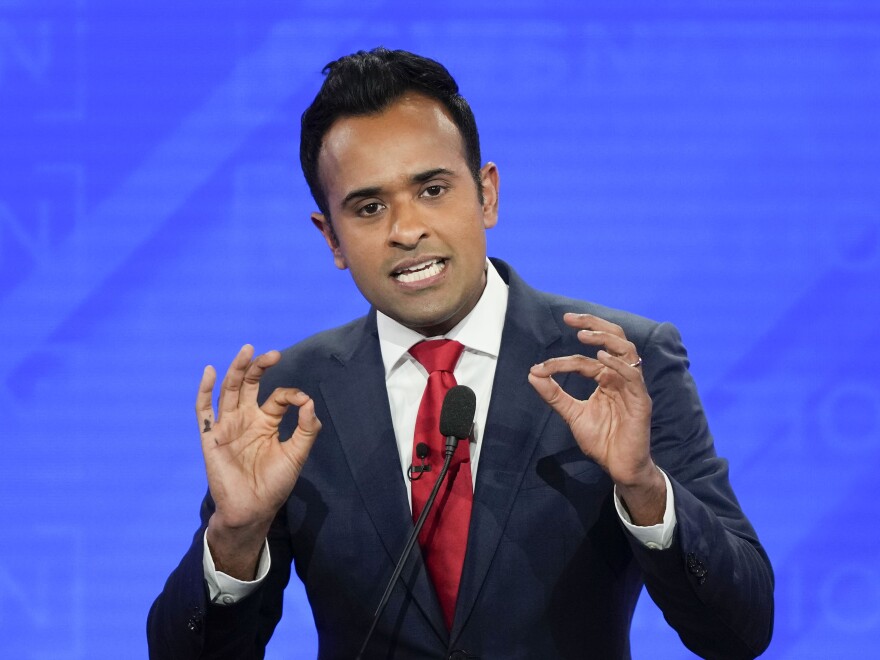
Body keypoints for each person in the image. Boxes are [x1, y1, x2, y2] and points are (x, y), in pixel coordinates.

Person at [147, 48, 774, 659]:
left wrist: (644, 488)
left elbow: (739, 633)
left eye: (432, 189)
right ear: (331, 237)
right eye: (369, 207)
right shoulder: (289, 398)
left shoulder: (616, 364)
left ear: (487, 194)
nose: (406, 229)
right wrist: (234, 537)